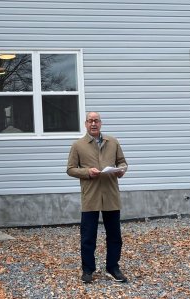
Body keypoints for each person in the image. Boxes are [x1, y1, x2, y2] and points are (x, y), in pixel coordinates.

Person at [66, 112, 129, 284]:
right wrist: (87, 172)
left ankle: (113, 267)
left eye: (96, 121)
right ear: (85, 124)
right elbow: (70, 169)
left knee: (115, 235)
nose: (93, 123)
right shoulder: (78, 145)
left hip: (111, 195)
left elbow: (123, 162)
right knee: (88, 236)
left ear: (101, 123)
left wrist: (121, 170)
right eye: (90, 121)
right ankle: (88, 270)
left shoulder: (113, 142)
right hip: (90, 196)